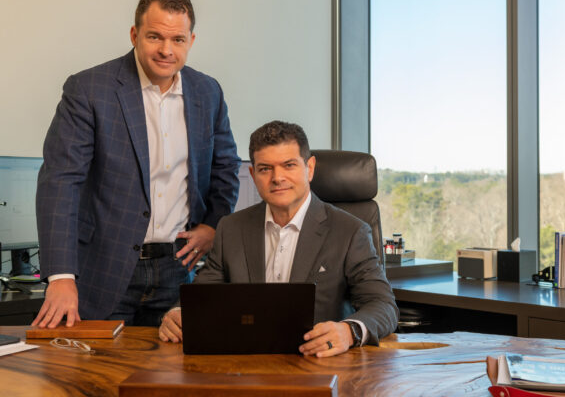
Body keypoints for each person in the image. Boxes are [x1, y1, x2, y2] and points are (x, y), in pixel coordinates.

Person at [33, 0, 240, 328]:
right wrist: (60, 276)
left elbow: (225, 167)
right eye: (155, 37)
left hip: (178, 269)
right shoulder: (89, 90)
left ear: (191, 40)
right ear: (134, 34)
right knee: (95, 377)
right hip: (103, 268)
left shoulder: (208, 92)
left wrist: (213, 224)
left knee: (173, 377)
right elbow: (60, 182)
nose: (166, 50)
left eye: (177, 40)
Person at [159, 121, 398, 357]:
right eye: (265, 169)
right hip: (247, 364)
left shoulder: (350, 231)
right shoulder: (231, 228)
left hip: (318, 365)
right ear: (252, 174)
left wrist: (349, 332)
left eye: (289, 165)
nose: (277, 178)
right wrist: (180, 313)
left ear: (310, 167)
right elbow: (203, 296)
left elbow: (383, 305)